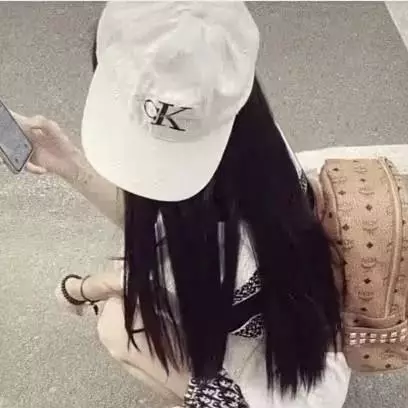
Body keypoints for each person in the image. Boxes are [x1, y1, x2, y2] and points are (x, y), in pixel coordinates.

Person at [13, 2, 352, 407]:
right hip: (311, 353)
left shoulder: (200, 255)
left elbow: (126, 273)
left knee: (117, 328)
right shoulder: (255, 142)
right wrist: (66, 163)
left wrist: (75, 290)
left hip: (279, 394)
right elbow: (160, 225)